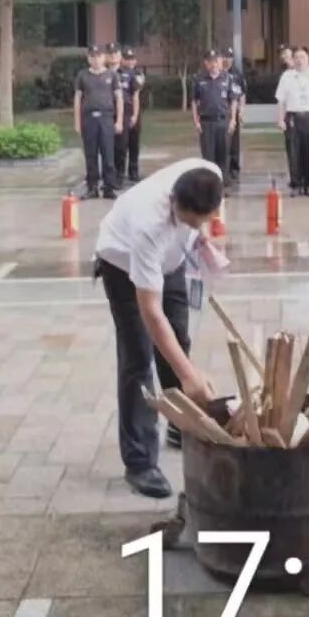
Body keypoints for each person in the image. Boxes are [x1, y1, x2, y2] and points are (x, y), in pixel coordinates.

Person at [95, 160, 222, 497]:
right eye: (187, 220)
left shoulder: (209, 174)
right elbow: (151, 312)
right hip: (122, 263)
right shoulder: (149, 226)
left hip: (170, 261)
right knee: (138, 357)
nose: (192, 225)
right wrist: (191, 376)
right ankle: (140, 463)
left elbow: (201, 217)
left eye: (199, 220)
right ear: (173, 201)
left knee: (178, 339)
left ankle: (180, 423)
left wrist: (201, 237)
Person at [276, 46, 309, 195]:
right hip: (293, 116)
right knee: (293, 150)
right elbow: (281, 100)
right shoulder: (287, 76)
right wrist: (280, 119)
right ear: (293, 59)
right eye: (296, 57)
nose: (299, 60)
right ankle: (296, 183)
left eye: (302, 57)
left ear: (308, 58)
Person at [73, 44, 122, 199]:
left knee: (108, 154)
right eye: (92, 57)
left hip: (106, 118)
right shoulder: (82, 75)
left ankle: (109, 187)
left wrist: (119, 121)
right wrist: (77, 122)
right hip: (89, 119)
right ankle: (92, 187)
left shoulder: (112, 75)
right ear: (88, 58)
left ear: (104, 57)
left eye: (99, 56)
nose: (96, 59)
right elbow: (77, 99)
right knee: (91, 154)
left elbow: (119, 98)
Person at [192, 49, 234, 180]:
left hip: (222, 121)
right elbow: (194, 102)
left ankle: (223, 182)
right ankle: (210, 184)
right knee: (208, 156)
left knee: (223, 154)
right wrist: (196, 121)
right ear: (206, 63)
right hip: (206, 123)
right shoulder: (199, 79)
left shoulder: (227, 78)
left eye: (216, 61)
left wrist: (233, 119)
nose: (213, 64)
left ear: (219, 62)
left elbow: (233, 100)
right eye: (210, 62)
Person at [119, 47, 146, 184]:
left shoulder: (138, 73)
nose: (130, 62)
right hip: (121, 111)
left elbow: (136, 92)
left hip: (134, 109)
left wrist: (135, 115)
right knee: (121, 144)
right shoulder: (117, 72)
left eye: (132, 59)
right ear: (122, 59)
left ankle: (133, 171)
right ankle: (120, 173)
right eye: (127, 59)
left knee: (134, 143)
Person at [104, 43, 128, 190]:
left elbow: (134, 94)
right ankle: (108, 177)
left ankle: (120, 176)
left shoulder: (127, 73)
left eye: (115, 53)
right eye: (110, 53)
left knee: (121, 147)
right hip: (106, 113)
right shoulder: (101, 73)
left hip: (123, 113)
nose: (113, 56)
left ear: (120, 56)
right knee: (107, 148)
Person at [223, 49, 247, 182]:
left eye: (229, 57)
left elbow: (242, 94)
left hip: (234, 111)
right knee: (224, 141)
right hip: (222, 111)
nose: (227, 60)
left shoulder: (237, 74)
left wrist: (242, 110)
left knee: (234, 142)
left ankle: (234, 168)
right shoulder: (219, 72)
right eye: (225, 57)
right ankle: (224, 167)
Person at [277, 45, 295, 187]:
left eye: (288, 56)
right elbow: (281, 99)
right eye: (283, 55)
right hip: (289, 114)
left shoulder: (306, 73)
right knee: (291, 146)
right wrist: (281, 119)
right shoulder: (284, 74)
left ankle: (308, 175)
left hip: (303, 114)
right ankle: (295, 177)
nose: (285, 58)